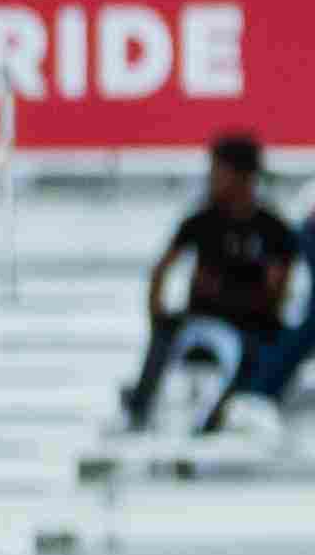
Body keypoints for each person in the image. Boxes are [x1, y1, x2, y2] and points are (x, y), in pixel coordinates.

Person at [122, 134, 292, 431]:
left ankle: (216, 417)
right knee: (165, 333)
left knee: (255, 349)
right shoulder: (202, 219)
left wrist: (225, 293)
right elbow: (161, 269)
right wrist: (157, 313)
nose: (211, 178)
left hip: (247, 324)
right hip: (200, 318)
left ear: (243, 176)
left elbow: (275, 295)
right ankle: (141, 405)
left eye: (218, 171)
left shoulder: (271, 227)